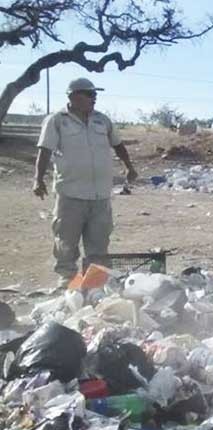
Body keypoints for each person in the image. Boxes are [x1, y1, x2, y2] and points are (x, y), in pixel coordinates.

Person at [34, 78, 137, 288]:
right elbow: (44, 150)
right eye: (89, 94)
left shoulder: (103, 120)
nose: (94, 98)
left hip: (100, 196)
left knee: (99, 243)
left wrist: (129, 166)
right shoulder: (57, 120)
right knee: (66, 241)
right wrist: (38, 179)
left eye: (94, 94)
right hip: (70, 193)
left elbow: (118, 145)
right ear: (72, 96)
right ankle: (68, 284)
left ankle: (94, 286)